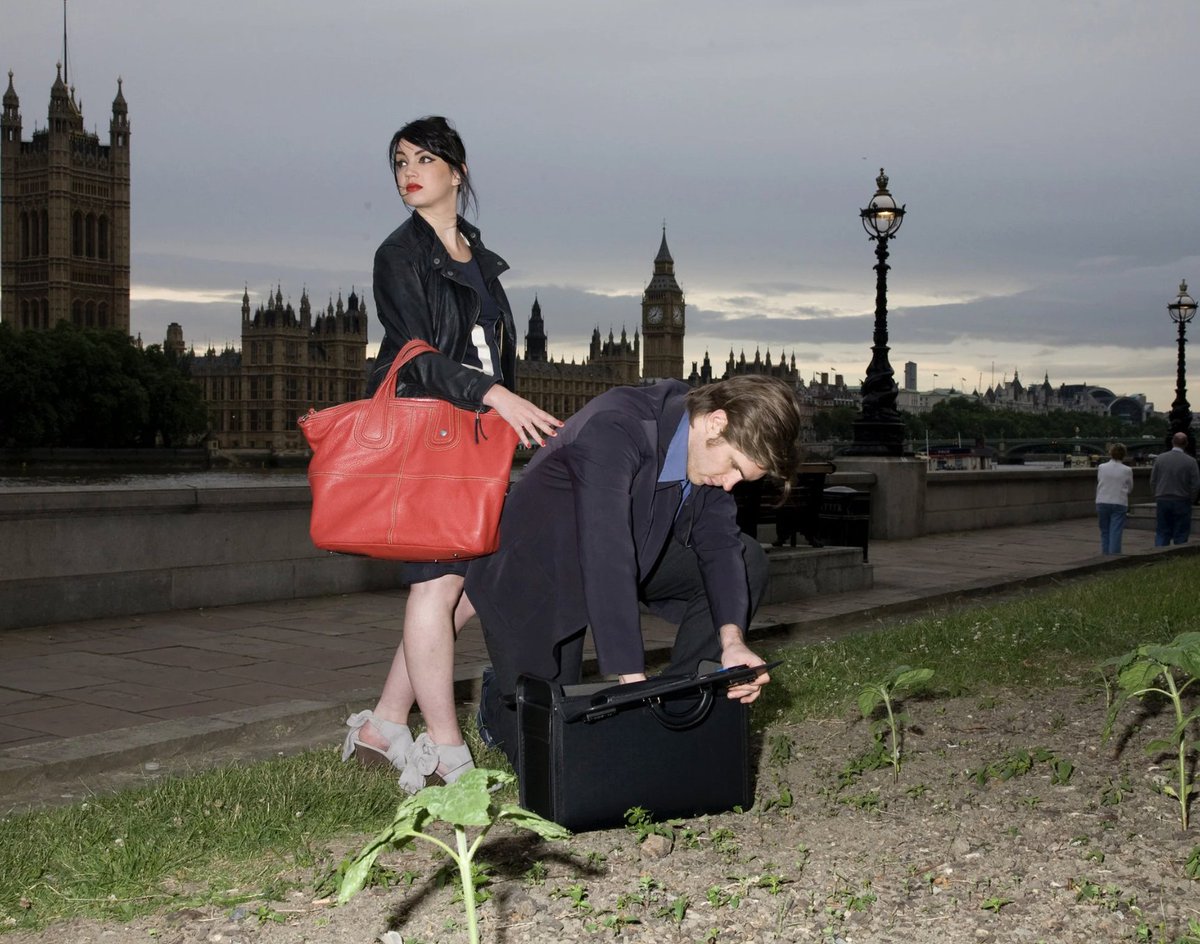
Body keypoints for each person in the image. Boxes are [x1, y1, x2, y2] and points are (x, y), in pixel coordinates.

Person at [341, 116, 561, 792]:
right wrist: (495, 395)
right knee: (437, 587)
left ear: (457, 172)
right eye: (400, 161)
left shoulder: (476, 253)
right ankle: (444, 752)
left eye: (424, 159)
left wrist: (499, 408)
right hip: (433, 437)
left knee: (467, 586)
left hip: (476, 440)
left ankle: (383, 720)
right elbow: (419, 357)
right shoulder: (397, 256)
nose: (409, 171)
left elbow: (490, 344)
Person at [466, 375, 803, 766]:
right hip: (537, 572)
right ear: (716, 422)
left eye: (741, 479)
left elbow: (721, 546)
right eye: (733, 467)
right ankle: (497, 700)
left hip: (637, 547)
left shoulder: (700, 446)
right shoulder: (616, 426)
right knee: (557, 754)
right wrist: (632, 681)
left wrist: (733, 641)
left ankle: (679, 704)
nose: (729, 485)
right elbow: (606, 552)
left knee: (747, 558)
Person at [1150, 432, 1200, 547]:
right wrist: (1191, 499)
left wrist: (1157, 495)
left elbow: (1153, 480)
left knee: (1162, 531)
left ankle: (1159, 556)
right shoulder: (1191, 461)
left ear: (1173, 442)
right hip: (1182, 500)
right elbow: (1195, 484)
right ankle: (1178, 555)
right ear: (1186, 444)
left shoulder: (1160, 459)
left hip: (1162, 498)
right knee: (1181, 533)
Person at [1095, 442, 1133, 554]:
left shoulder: (1101, 467)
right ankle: (1114, 556)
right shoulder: (1127, 470)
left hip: (1102, 501)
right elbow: (1130, 488)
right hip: (1119, 502)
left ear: (1110, 453)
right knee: (1116, 531)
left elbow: (1100, 481)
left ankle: (1105, 555)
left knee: (1105, 531)